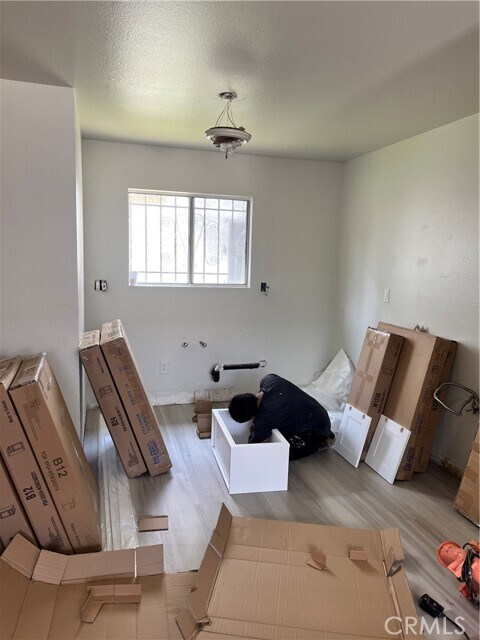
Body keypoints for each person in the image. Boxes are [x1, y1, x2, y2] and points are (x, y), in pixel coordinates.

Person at [228, 373, 334, 460]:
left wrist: (254, 432)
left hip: (318, 430)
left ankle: (324, 441)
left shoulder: (265, 417)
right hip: (319, 413)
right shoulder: (268, 380)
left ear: (251, 416)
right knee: (279, 425)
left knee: (280, 453)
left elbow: (257, 448)